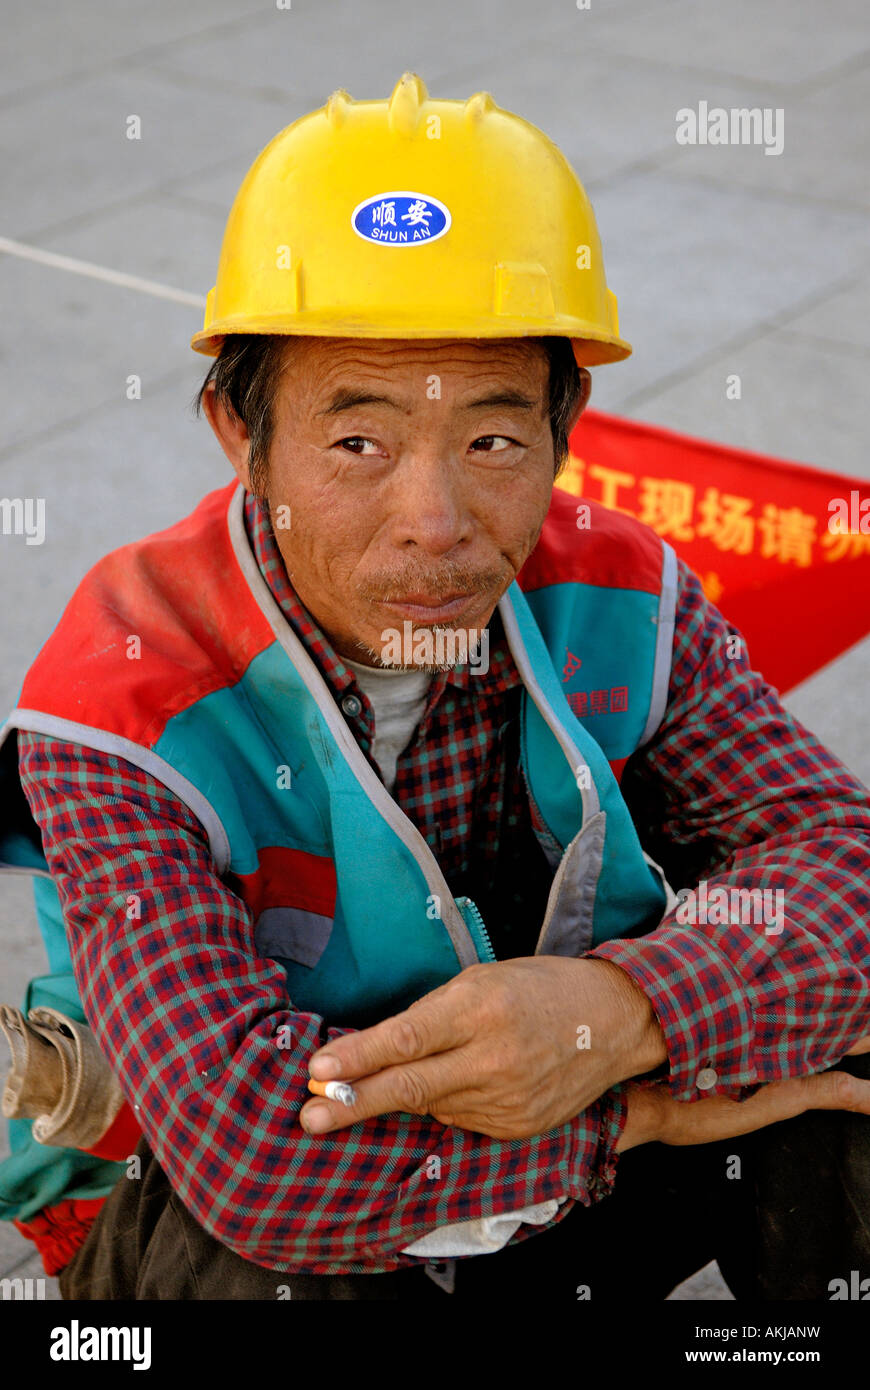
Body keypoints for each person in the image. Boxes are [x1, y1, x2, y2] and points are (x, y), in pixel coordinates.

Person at [1, 72, 868, 1301]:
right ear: (240, 438)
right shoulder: (118, 698)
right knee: (257, 1254)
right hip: (266, 1210)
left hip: (547, 1137)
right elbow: (250, 1157)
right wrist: (630, 1111)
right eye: (357, 443)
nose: (437, 522)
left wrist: (624, 1009)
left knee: (845, 1076)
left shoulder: (625, 594)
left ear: (567, 431)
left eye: (494, 440)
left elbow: (841, 857)